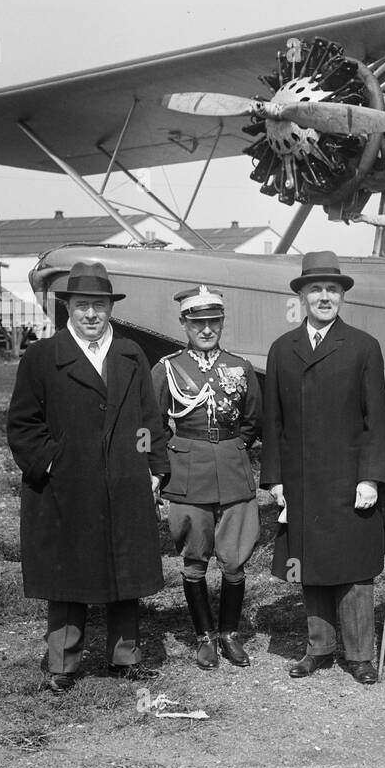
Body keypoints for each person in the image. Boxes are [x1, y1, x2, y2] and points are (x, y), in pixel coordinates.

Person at [7, 260, 169, 693]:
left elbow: (147, 421)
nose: (91, 315)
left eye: (99, 306)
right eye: (83, 306)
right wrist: (53, 464)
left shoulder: (131, 354)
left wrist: (152, 468)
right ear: (68, 309)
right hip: (65, 487)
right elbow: (23, 425)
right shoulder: (43, 357)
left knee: (125, 571)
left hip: (124, 481)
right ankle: (64, 664)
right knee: (67, 576)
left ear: (110, 308)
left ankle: (125, 658)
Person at [260, 251, 385, 684]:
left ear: (342, 297)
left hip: (350, 480)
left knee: (354, 567)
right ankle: (318, 647)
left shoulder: (364, 346)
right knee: (308, 562)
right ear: (301, 296)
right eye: (315, 289)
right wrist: (275, 479)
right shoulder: (282, 349)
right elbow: (272, 421)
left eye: (332, 290)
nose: (324, 297)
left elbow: (377, 420)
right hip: (301, 480)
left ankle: (359, 655)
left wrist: (371, 477)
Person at [152, 285, 262, 671]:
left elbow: (252, 421)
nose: (206, 329)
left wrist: (231, 447)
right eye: (197, 322)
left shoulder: (240, 367)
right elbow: (154, 423)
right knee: (194, 559)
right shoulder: (167, 368)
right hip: (187, 470)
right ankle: (204, 637)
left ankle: (229, 634)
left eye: (213, 321)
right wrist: (167, 463)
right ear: (183, 324)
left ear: (222, 322)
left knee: (234, 561)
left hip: (232, 467)